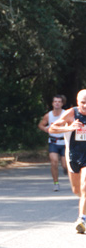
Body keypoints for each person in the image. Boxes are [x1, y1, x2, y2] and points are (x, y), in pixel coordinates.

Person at [49, 89, 86, 233]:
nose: (85, 106)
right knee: (77, 190)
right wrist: (70, 127)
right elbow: (52, 128)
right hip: (73, 156)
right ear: (78, 102)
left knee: (85, 187)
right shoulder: (72, 113)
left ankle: (81, 219)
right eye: (83, 103)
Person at [38, 95, 67, 191]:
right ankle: (56, 183)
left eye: (59, 101)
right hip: (53, 142)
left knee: (65, 165)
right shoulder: (48, 115)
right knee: (54, 162)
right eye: (55, 101)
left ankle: (66, 169)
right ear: (52, 103)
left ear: (62, 103)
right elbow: (41, 125)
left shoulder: (66, 114)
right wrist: (45, 129)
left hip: (64, 142)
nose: (57, 103)